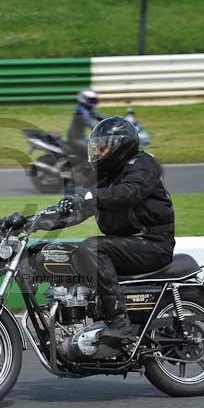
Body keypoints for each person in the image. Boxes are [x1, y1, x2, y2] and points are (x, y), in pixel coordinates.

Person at [42, 117, 175, 343]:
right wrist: (34, 221)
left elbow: (129, 192)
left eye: (103, 146)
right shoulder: (105, 176)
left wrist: (91, 196)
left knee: (92, 247)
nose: (98, 152)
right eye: (96, 147)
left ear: (120, 145)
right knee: (62, 251)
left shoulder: (143, 164)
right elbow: (80, 210)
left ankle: (121, 324)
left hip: (152, 243)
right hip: (125, 244)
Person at [67, 89, 104, 159]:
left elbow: (98, 116)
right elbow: (87, 121)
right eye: (92, 100)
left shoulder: (87, 109)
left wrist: (113, 120)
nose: (94, 102)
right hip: (76, 138)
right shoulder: (81, 110)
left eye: (94, 100)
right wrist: (99, 128)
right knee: (96, 152)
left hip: (81, 137)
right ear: (84, 99)